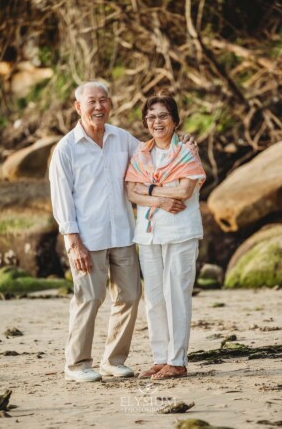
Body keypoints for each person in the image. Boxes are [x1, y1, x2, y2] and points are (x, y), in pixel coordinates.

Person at [49, 81, 187, 382]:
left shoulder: (121, 138)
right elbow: (61, 197)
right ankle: (76, 364)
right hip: (88, 238)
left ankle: (113, 359)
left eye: (103, 101)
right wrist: (73, 241)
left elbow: (154, 148)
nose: (98, 107)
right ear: (78, 107)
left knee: (129, 295)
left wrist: (183, 143)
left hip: (123, 234)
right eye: (91, 102)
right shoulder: (66, 149)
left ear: (109, 104)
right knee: (89, 297)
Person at [125, 91, 206, 380]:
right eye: (151, 117)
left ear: (174, 120)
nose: (156, 122)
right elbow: (131, 192)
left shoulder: (186, 152)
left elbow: (185, 191)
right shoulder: (142, 154)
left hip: (180, 232)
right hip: (148, 234)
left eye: (162, 116)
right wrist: (156, 196)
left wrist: (146, 190)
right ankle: (160, 358)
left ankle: (177, 360)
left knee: (177, 295)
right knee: (155, 298)